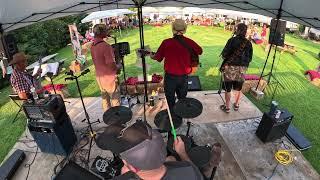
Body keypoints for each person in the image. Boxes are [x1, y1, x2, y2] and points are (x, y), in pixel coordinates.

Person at [101, 120, 204, 180]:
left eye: (124, 162)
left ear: (132, 168)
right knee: (171, 158)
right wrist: (182, 152)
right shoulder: (188, 170)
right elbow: (194, 170)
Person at [147, 19, 203, 111]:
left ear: (173, 29)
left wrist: (151, 55)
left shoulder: (166, 42)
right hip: (184, 77)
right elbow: (200, 51)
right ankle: (181, 114)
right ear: (184, 29)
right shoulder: (189, 42)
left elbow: (157, 57)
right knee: (182, 99)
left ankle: (173, 117)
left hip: (170, 77)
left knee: (170, 99)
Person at [220, 23, 253, 113]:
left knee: (228, 88)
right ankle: (237, 104)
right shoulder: (249, 43)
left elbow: (224, 55)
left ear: (237, 30)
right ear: (245, 32)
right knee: (238, 88)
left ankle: (227, 107)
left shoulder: (231, 40)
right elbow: (249, 58)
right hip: (242, 68)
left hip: (230, 67)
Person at [91, 24, 121, 111]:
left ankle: (108, 118)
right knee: (115, 100)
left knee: (105, 100)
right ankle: (118, 121)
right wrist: (119, 65)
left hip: (100, 77)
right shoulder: (106, 46)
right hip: (109, 78)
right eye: (106, 30)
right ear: (102, 32)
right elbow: (112, 66)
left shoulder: (93, 46)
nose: (107, 32)